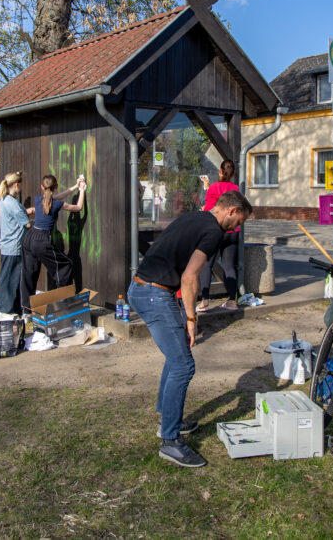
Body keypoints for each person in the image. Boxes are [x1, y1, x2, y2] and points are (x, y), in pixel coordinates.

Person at [127, 190, 252, 468]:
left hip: (142, 288)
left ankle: (168, 420)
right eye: (239, 221)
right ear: (231, 211)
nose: (237, 227)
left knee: (176, 357)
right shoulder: (214, 231)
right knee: (184, 366)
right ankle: (170, 441)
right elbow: (190, 276)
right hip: (154, 294)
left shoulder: (195, 217)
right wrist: (192, 319)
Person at [20, 174, 87, 312]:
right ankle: (62, 305)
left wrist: (75, 186)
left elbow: (56, 197)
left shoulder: (38, 199)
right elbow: (79, 207)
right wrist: (82, 190)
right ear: (56, 186)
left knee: (28, 274)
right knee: (66, 265)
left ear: (42, 187)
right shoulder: (57, 204)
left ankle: (26, 310)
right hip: (42, 240)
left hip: (30, 238)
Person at [197, 160, 241, 312]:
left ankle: (204, 301)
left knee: (207, 264)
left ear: (220, 172)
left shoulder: (214, 187)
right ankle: (233, 301)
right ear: (233, 174)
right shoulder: (236, 189)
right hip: (233, 232)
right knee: (229, 266)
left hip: (217, 231)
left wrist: (203, 209)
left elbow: (209, 209)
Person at [0, 171, 33, 316]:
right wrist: (36, 222)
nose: (21, 188)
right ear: (16, 185)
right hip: (14, 246)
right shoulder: (13, 203)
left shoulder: (4, 200)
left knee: (6, 278)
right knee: (12, 280)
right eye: (21, 185)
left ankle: (6, 308)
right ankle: (8, 310)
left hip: (7, 245)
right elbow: (26, 224)